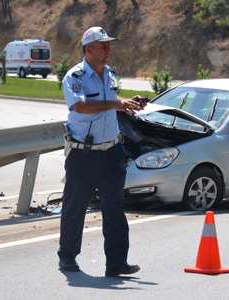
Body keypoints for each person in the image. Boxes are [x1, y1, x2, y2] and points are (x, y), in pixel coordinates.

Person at [58, 26, 147, 276]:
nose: (109, 49)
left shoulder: (109, 73)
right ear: (89, 50)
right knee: (75, 206)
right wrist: (117, 103)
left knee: (114, 207)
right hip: (84, 154)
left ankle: (116, 261)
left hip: (111, 152)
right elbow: (81, 106)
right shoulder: (74, 76)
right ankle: (67, 257)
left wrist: (128, 103)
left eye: (109, 45)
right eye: (103, 45)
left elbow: (110, 105)